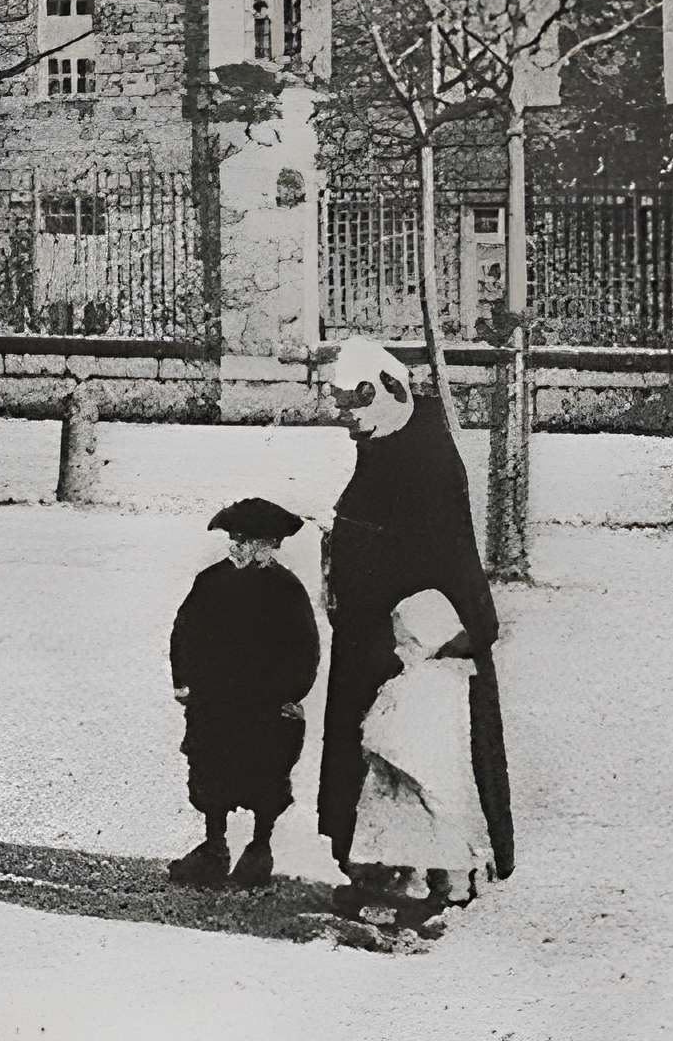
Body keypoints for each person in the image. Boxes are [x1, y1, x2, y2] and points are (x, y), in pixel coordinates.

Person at [316, 341, 512, 908]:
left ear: (388, 393)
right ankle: (380, 868)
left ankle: (431, 874)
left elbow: (450, 560)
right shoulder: (384, 441)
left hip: (417, 647)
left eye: (356, 411)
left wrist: (452, 632)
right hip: (370, 634)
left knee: (420, 764)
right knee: (375, 762)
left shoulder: (426, 458)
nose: (350, 425)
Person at [165, 495, 320, 891]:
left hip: (265, 705)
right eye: (233, 538)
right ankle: (214, 847)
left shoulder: (286, 589)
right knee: (208, 769)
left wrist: (290, 693)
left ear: (268, 544)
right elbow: (184, 631)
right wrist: (182, 680)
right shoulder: (211, 580)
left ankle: (259, 848)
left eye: (245, 540)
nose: (236, 546)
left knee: (265, 774)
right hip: (214, 701)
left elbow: (305, 649)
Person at [337, 589, 494, 947]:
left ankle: (403, 893)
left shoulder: (417, 685)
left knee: (411, 832)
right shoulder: (454, 679)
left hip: (409, 776)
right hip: (428, 778)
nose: (398, 650)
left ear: (429, 638)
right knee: (440, 831)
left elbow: (387, 734)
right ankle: (445, 888)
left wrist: (372, 734)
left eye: (406, 641)